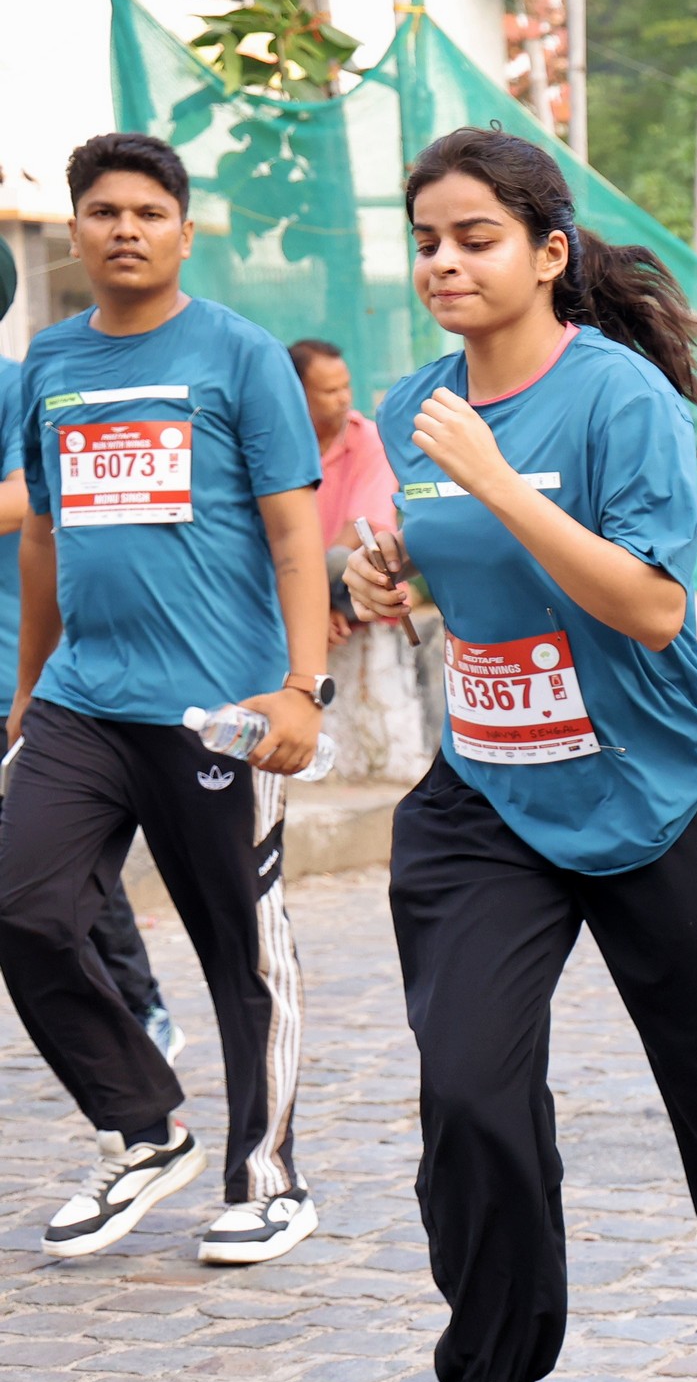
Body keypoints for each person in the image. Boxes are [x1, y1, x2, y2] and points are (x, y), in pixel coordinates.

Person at [342, 128, 697, 1382]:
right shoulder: (413, 406)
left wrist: (497, 485)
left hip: (650, 787)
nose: (444, 263)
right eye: (427, 241)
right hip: (488, 793)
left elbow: (650, 605)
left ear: (549, 252)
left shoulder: (622, 401)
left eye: (476, 238)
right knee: (469, 1089)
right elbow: (453, 562)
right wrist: (393, 577)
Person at [0, 132, 326, 1265]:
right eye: (104, 211)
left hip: (217, 712)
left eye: (148, 212)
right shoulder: (50, 361)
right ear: (74, 232)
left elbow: (297, 535)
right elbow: (43, 536)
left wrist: (302, 688)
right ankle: (145, 1129)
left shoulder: (240, 355)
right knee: (23, 907)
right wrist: (28, 689)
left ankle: (269, 1178)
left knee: (242, 948)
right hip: (81, 701)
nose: (125, 229)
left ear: (185, 232)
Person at [0, 238, 173, 1065]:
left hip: (13, 662)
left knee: (52, 864)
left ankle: (140, 1008)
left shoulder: (15, 382)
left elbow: (27, 500)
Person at [290, 338, 399, 649]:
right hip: (294, 580)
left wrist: (313, 600)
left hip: (350, 580)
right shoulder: (277, 445)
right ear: (297, 393)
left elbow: (361, 527)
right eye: (330, 391)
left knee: (340, 561)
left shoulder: (370, 439)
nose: (344, 398)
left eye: (346, 387)